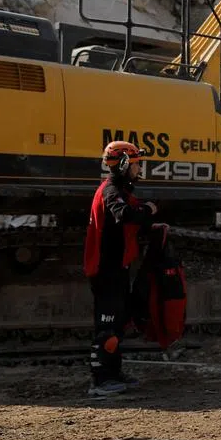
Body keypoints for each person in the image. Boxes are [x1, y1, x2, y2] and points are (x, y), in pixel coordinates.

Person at [83, 141, 158, 397]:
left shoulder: (119, 189)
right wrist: (146, 210)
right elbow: (123, 215)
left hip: (116, 267)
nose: (139, 168)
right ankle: (100, 379)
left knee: (118, 323)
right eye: (136, 163)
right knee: (108, 326)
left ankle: (113, 373)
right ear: (125, 164)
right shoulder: (112, 191)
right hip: (107, 269)